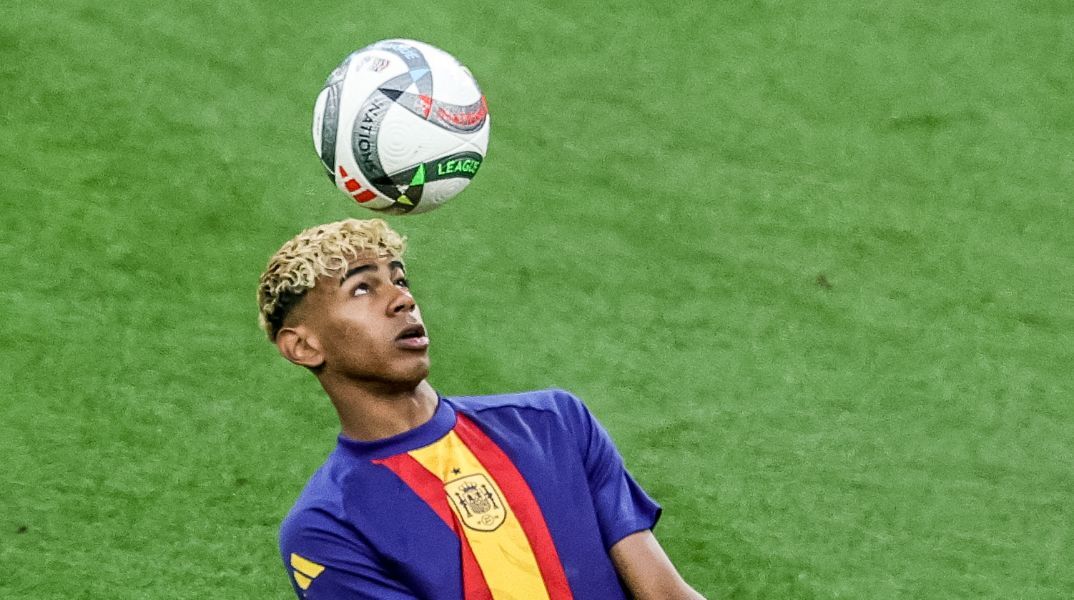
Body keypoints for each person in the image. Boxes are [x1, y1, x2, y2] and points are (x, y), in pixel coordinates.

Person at [257, 218, 704, 600]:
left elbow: (665, 593)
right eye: (361, 289)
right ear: (303, 346)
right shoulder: (327, 525)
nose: (402, 299)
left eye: (400, 280)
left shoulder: (555, 422)